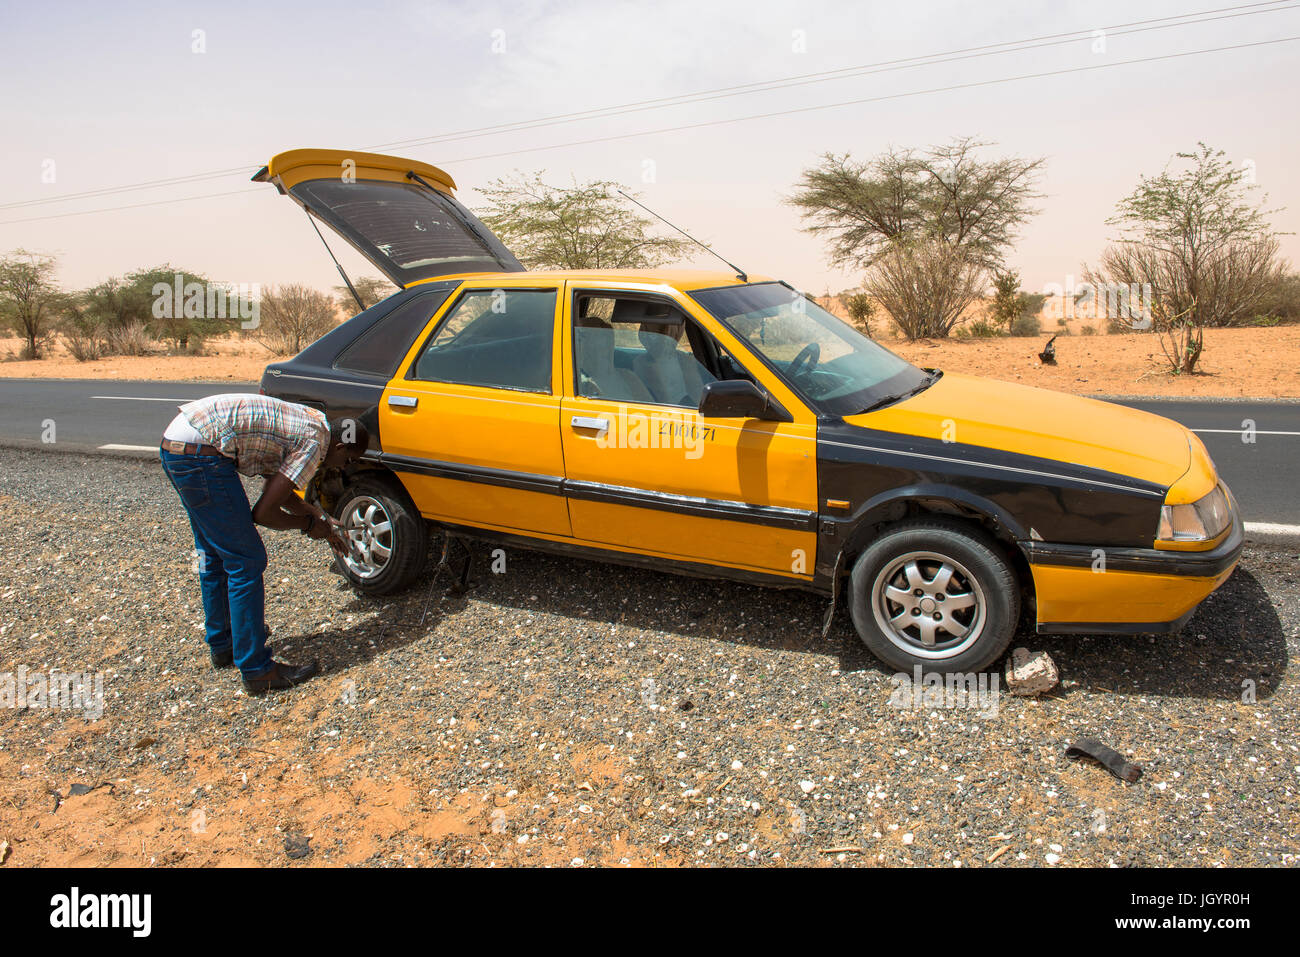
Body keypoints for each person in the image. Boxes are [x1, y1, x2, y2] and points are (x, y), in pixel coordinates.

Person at [158, 393, 369, 694]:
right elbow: (264, 512)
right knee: (246, 560)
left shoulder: (312, 424)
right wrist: (310, 526)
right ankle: (258, 670)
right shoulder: (315, 445)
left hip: (177, 444)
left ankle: (224, 643)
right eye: (347, 460)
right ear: (338, 447)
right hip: (202, 455)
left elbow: (276, 485)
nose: (344, 467)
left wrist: (313, 512)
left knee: (214, 552)